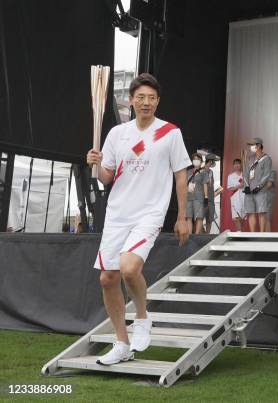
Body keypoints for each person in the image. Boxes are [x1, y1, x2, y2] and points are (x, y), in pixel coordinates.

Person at [86, 73, 191, 365]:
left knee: (129, 268)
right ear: (131, 101)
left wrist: (182, 216)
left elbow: (181, 174)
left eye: (151, 98)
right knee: (108, 278)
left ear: (158, 101)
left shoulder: (170, 132)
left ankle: (142, 317)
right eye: (140, 97)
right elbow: (107, 177)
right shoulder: (117, 134)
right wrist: (95, 164)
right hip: (118, 213)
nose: (146, 103)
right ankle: (122, 344)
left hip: (149, 212)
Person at [243, 138, 272, 232]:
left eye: (253, 145)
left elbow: (267, 175)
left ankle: (261, 235)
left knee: (261, 212)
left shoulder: (266, 159)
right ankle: (252, 235)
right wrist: (246, 186)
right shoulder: (250, 159)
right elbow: (246, 173)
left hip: (261, 190)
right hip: (249, 190)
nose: (251, 147)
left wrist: (259, 187)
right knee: (250, 212)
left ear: (259, 145)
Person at [202, 153, 222, 234]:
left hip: (211, 199)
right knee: (200, 218)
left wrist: (216, 193)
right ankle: (200, 235)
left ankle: (207, 235)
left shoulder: (211, 172)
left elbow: (211, 185)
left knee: (210, 218)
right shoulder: (201, 171)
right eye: (213, 161)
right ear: (210, 161)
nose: (214, 163)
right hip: (202, 199)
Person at [186, 153, 205, 234]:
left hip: (199, 197)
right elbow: (184, 183)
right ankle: (189, 234)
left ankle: (197, 235)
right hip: (188, 197)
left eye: (197, 159)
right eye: (194, 159)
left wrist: (206, 196)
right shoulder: (188, 171)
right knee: (188, 216)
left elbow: (205, 185)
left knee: (199, 216)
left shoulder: (204, 172)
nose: (196, 160)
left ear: (201, 161)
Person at [226, 158, 246, 231]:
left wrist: (243, 184)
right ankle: (239, 232)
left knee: (243, 217)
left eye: (238, 163)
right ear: (233, 165)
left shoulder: (244, 175)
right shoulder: (230, 176)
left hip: (244, 197)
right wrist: (238, 186)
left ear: (241, 165)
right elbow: (229, 188)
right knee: (236, 216)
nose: (237, 165)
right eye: (235, 164)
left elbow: (248, 186)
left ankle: (242, 232)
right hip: (234, 198)